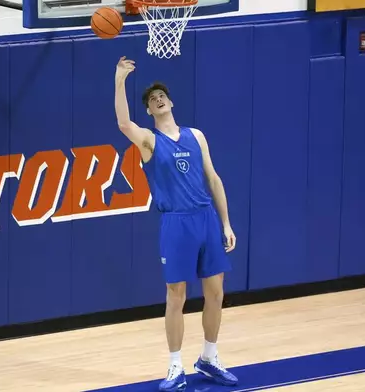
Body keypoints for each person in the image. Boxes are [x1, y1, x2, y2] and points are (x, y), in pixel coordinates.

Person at [114, 56, 239, 391]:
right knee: (176, 295)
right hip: (176, 223)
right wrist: (120, 79)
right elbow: (124, 123)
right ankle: (174, 366)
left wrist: (226, 224)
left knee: (215, 293)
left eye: (161, 95)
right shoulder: (149, 142)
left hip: (206, 220)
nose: (158, 98)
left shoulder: (196, 136)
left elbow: (213, 179)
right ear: (150, 112)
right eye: (152, 99)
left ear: (170, 102)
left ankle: (209, 358)